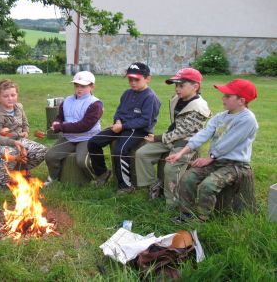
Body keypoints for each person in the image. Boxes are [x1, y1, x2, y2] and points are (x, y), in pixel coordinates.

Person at [166, 79, 258, 222]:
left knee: (207, 186)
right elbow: (203, 134)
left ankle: (203, 219)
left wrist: (210, 157)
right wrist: (181, 152)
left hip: (235, 165)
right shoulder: (221, 117)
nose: (223, 98)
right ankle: (187, 215)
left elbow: (229, 142)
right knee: (187, 178)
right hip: (216, 160)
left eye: (228, 96)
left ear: (241, 100)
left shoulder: (247, 119)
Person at [135, 68, 211, 206]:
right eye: (176, 85)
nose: (177, 89)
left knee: (170, 169)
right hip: (171, 138)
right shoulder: (178, 99)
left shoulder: (199, 107)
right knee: (142, 153)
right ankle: (153, 185)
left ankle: (172, 202)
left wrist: (157, 138)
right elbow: (175, 126)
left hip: (187, 142)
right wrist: (163, 138)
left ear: (195, 86)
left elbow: (182, 131)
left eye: (181, 85)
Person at [87, 62, 161, 193]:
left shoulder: (151, 97)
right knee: (94, 142)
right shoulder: (127, 93)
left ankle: (125, 186)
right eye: (130, 79)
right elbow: (119, 112)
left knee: (119, 150)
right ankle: (102, 173)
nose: (132, 82)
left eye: (136, 80)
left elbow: (145, 121)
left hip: (139, 130)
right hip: (121, 126)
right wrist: (117, 121)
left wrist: (122, 126)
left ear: (147, 78)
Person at [0, 79, 47, 190]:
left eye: (13, 95)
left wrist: (25, 132)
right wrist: (14, 142)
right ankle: (2, 184)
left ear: (17, 94)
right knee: (12, 153)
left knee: (42, 150)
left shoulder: (19, 107)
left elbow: (25, 123)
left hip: (18, 139)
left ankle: (21, 172)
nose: (10, 98)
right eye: (6, 96)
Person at [44, 71, 103, 185]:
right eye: (76, 85)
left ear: (92, 86)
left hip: (88, 137)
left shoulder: (95, 104)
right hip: (69, 137)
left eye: (83, 86)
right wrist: (56, 123)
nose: (79, 89)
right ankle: (53, 178)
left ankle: (97, 178)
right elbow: (60, 117)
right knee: (50, 156)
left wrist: (61, 127)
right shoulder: (67, 101)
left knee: (82, 161)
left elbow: (84, 126)